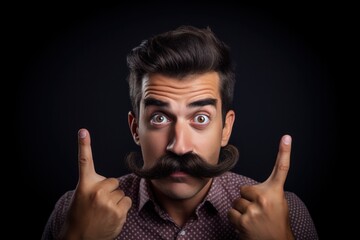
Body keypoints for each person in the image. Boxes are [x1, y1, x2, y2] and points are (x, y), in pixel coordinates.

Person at [41, 25, 318, 240]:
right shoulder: (74, 212)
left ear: (226, 128)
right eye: (160, 117)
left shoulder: (287, 213)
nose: (179, 146)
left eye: (200, 118)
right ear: (136, 128)